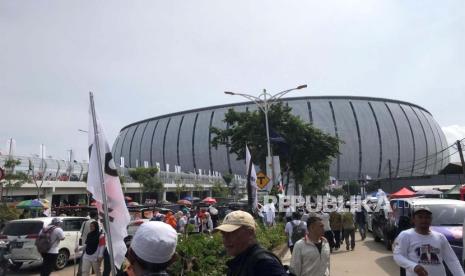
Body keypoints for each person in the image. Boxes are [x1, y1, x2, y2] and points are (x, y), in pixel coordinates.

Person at [393, 207, 465, 276]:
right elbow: (398, 256)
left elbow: (452, 260)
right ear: (413, 220)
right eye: (420, 217)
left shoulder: (440, 237)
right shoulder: (406, 235)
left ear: (431, 220)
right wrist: (414, 267)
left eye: (427, 217)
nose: (424, 220)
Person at [214, 210, 288, 276]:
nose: (226, 240)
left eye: (232, 233)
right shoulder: (240, 261)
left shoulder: (263, 264)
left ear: (250, 233)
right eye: (223, 235)